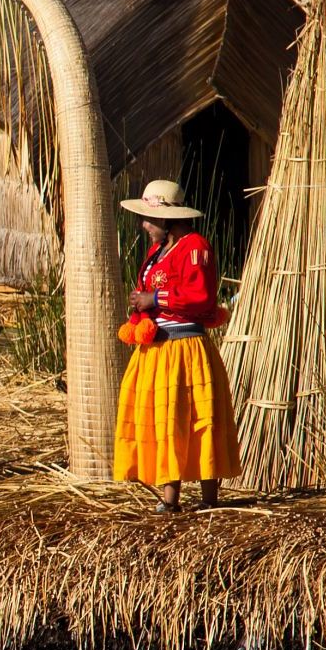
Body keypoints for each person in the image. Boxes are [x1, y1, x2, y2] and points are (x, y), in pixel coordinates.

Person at [113, 179, 238, 511]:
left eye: (149, 219)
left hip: (186, 349)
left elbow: (201, 297)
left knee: (198, 417)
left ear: (169, 219)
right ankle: (171, 500)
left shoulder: (196, 246)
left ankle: (209, 499)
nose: (144, 225)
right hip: (158, 348)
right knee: (166, 419)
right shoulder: (157, 251)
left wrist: (153, 297)